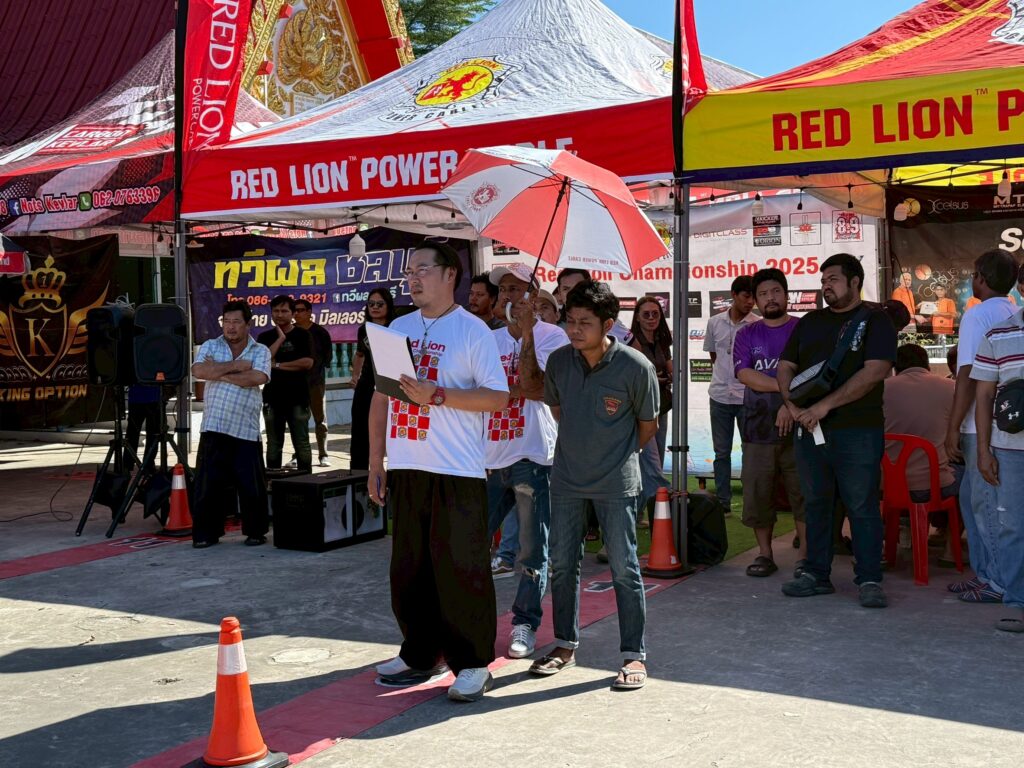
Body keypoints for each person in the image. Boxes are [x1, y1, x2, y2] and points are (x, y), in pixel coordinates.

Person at [368, 243, 508, 703]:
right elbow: (381, 398)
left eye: (423, 269)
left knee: (460, 569)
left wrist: (439, 395)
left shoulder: (473, 331)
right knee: (410, 570)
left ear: (450, 275)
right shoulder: (398, 328)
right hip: (407, 465)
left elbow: (497, 398)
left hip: (456, 469)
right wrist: (375, 461)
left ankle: (473, 663)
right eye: (409, 271)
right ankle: (420, 652)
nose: (413, 278)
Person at [534, 280, 658, 691]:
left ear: (607, 324)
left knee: (624, 568)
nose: (573, 329)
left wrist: (614, 455)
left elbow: (647, 426)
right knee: (562, 564)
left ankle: (633, 655)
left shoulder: (636, 367)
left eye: (584, 322)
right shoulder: (559, 362)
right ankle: (564, 646)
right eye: (569, 320)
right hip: (566, 480)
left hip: (617, 483)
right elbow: (558, 411)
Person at [777, 253, 896, 608]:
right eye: (823, 280)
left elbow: (875, 370)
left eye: (833, 279)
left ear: (855, 281)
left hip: (858, 429)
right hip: (809, 431)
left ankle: (870, 578)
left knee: (861, 504)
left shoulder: (876, 320)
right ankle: (815, 573)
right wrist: (793, 406)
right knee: (816, 503)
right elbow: (785, 366)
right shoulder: (810, 321)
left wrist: (823, 406)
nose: (825, 285)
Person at [484, 263, 569, 658]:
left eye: (516, 289)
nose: (508, 296)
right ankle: (472, 618)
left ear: (534, 297)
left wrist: (529, 333)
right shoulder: (488, 339)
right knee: (470, 542)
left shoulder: (554, 336)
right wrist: (509, 391)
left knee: (533, 548)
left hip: (532, 456)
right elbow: (480, 392)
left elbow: (539, 388)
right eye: (503, 289)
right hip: (488, 457)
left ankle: (525, 623)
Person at [944, 249, 1017, 604]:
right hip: (1004, 423)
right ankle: (987, 573)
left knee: (985, 505)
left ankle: (996, 580)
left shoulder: (977, 314)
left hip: (979, 426)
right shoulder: (1011, 310)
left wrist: (953, 426)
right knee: (979, 502)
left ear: (981, 279)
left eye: (974, 274)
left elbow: (968, 375)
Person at [733, 268, 806, 578]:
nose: (770, 298)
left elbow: (812, 372)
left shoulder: (803, 329)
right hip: (757, 427)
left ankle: (805, 558)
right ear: (756, 300)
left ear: (786, 295)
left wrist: (791, 406)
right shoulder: (746, 334)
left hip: (802, 426)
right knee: (758, 493)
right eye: (763, 294)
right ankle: (765, 554)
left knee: (803, 493)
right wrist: (786, 391)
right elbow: (745, 374)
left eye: (776, 291)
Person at [190, 300, 272, 548]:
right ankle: (206, 534)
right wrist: (236, 367)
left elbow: (257, 377)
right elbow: (199, 371)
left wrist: (217, 373)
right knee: (208, 486)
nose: (231, 327)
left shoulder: (260, 350)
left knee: (251, 485)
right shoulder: (210, 345)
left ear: (248, 324)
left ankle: (255, 531)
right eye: (227, 321)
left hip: (245, 427)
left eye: (236, 322)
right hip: (214, 425)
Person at [971, 263, 1024, 633]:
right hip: (1008, 449)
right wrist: (983, 450)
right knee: (1012, 527)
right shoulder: (998, 333)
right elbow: (984, 395)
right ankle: (1018, 601)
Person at [883, 344, 957, 562]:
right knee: (968, 479)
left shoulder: (880, 389)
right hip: (934, 485)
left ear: (895, 367)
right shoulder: (950, 388)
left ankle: (895, 536)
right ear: (927, 364)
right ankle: (950, 550)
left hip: (887, 485)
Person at [703, 275, 756, 509]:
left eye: (753, 297)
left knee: (750, 451)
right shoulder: (714, 322)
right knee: (721, 453)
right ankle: (723, 502)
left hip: (747, 396)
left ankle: (752, 501)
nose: (751, 302)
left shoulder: (757, 324)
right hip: (719, 396)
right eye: (746, 296)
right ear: (734, 295)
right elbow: (713, 355)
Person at [257, 295, 314, 473]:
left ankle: (306, 479)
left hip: (298, 397)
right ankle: (273, 481)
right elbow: (262, 361)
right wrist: (280, 339)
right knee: (273, 444)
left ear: (293, 313)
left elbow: (307, 362)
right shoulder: (265, 337)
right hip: (272, 397)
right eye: (276, 311)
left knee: (301, 442)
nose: (280, 315)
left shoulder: (302, 335)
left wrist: (278, 365)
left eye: (284, 311)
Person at [630, 296, 673, 520]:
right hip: (640, 411)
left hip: (661, 406)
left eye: (655, 313)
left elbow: (670, 367)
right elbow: (633, 377)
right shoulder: (631, 341)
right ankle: (664, 514)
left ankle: (637, 514)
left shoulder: (662, 339)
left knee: (652, 463)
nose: (651, 318)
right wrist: (654, 379)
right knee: (652, 464)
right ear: (637, 317)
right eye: (645, 314)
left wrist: (671, 375)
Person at [349, 288, 396, 471]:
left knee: (390, 431)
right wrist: (355, 376)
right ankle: (358, 474)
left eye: (379, 304)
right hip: (367, 382)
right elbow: (360, 354)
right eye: (371, 304)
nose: (375, 307)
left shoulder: (396, 326)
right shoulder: (364, 329)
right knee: (359, 429)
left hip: (391, 383)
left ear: (388, 305)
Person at [294, 299, 334, 467]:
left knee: (320, 420)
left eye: (301, 310)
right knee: (297, 420)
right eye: (294, 310)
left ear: (309, 312)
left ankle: (323, 455)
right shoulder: (291, 332)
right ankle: (297, 455)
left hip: (316, 382)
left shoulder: (320, 332)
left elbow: (327, 357)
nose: (297, 313)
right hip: (295, 383)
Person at [124, 384, 163, 467]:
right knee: (153, 435)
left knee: (132, 433)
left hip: (136, 397)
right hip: (154, 396)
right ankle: (148, 464)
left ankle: (128, 464)